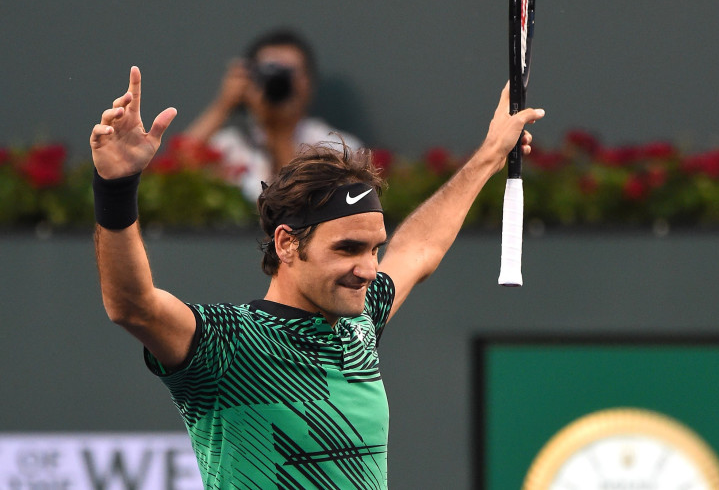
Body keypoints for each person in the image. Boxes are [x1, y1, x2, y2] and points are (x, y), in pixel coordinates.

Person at [90, 66, 544, 489]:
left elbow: (419, 249)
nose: (368, 269)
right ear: (287, 243)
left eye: (373, 248)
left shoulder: (362, 320)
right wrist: (116, 186)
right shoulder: (225, 343)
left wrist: (489, 155)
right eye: (346, 248)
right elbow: (131, 306)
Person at [185, 28, 362, 201]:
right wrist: (223, 105)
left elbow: (306, 206)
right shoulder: (230, 144)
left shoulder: (335, 147)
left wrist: (279, 134)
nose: (278, 82)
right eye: (268, 73)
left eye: (287, 74)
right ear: (250, 80)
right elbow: (175, 176)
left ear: (308, 83)